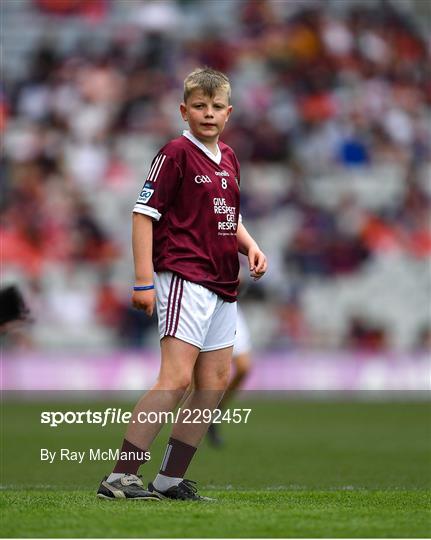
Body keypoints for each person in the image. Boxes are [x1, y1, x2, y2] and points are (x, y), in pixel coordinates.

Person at [97, 67, 267, 501]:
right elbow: (143, 214)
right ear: (184, 111)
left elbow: (229, 217)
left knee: (213, 383)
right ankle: (120, 476)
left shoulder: (228, 158)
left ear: (228, 113)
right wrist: (142, 281)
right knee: (173, 379)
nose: (207, 114)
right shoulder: (175, 153)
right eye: (199, 106)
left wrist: (249, 246)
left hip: (224, 281)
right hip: (185, 277)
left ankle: (170, 480)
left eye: (215, 107)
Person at [207, 304, 252, 448]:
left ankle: (215, 411)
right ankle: (193, 426)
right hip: (203, 304)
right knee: (197, 377)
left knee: (243, 368)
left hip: (230, 306)